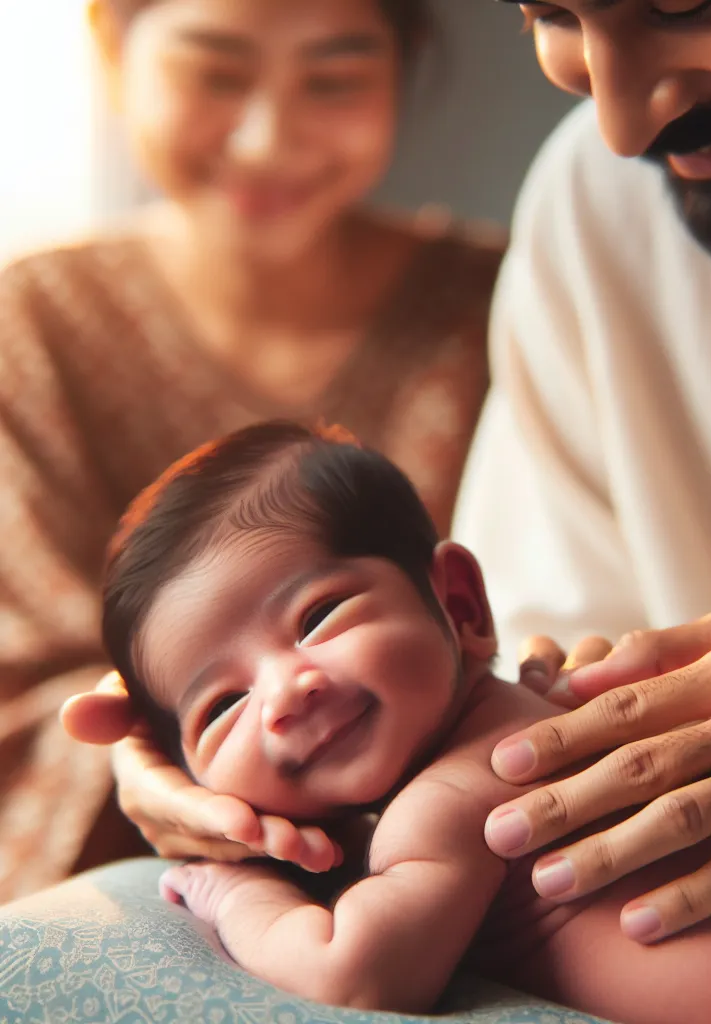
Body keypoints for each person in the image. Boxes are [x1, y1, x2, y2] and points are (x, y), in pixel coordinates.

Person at [63, 0, 711, 951]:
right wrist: (204, 742)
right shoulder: (598, 201)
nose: (620, 123)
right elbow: (494, 667)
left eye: (681, 1)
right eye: (551, 15)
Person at [97, 420, 711, 1024]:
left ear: (459, 602)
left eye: (317, 618)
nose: (285, 691)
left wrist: (234, 891)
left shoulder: (456, 797)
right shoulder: (539, 698)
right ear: (184, 769)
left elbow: (354, 976)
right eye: (221, 707)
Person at [0, 0, 502, 904]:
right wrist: (146, 757)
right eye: (216, 73)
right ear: (114, 60)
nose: (270, 138)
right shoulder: (32, 324)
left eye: (334, 79)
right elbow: (22, 688)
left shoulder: (507, 306)